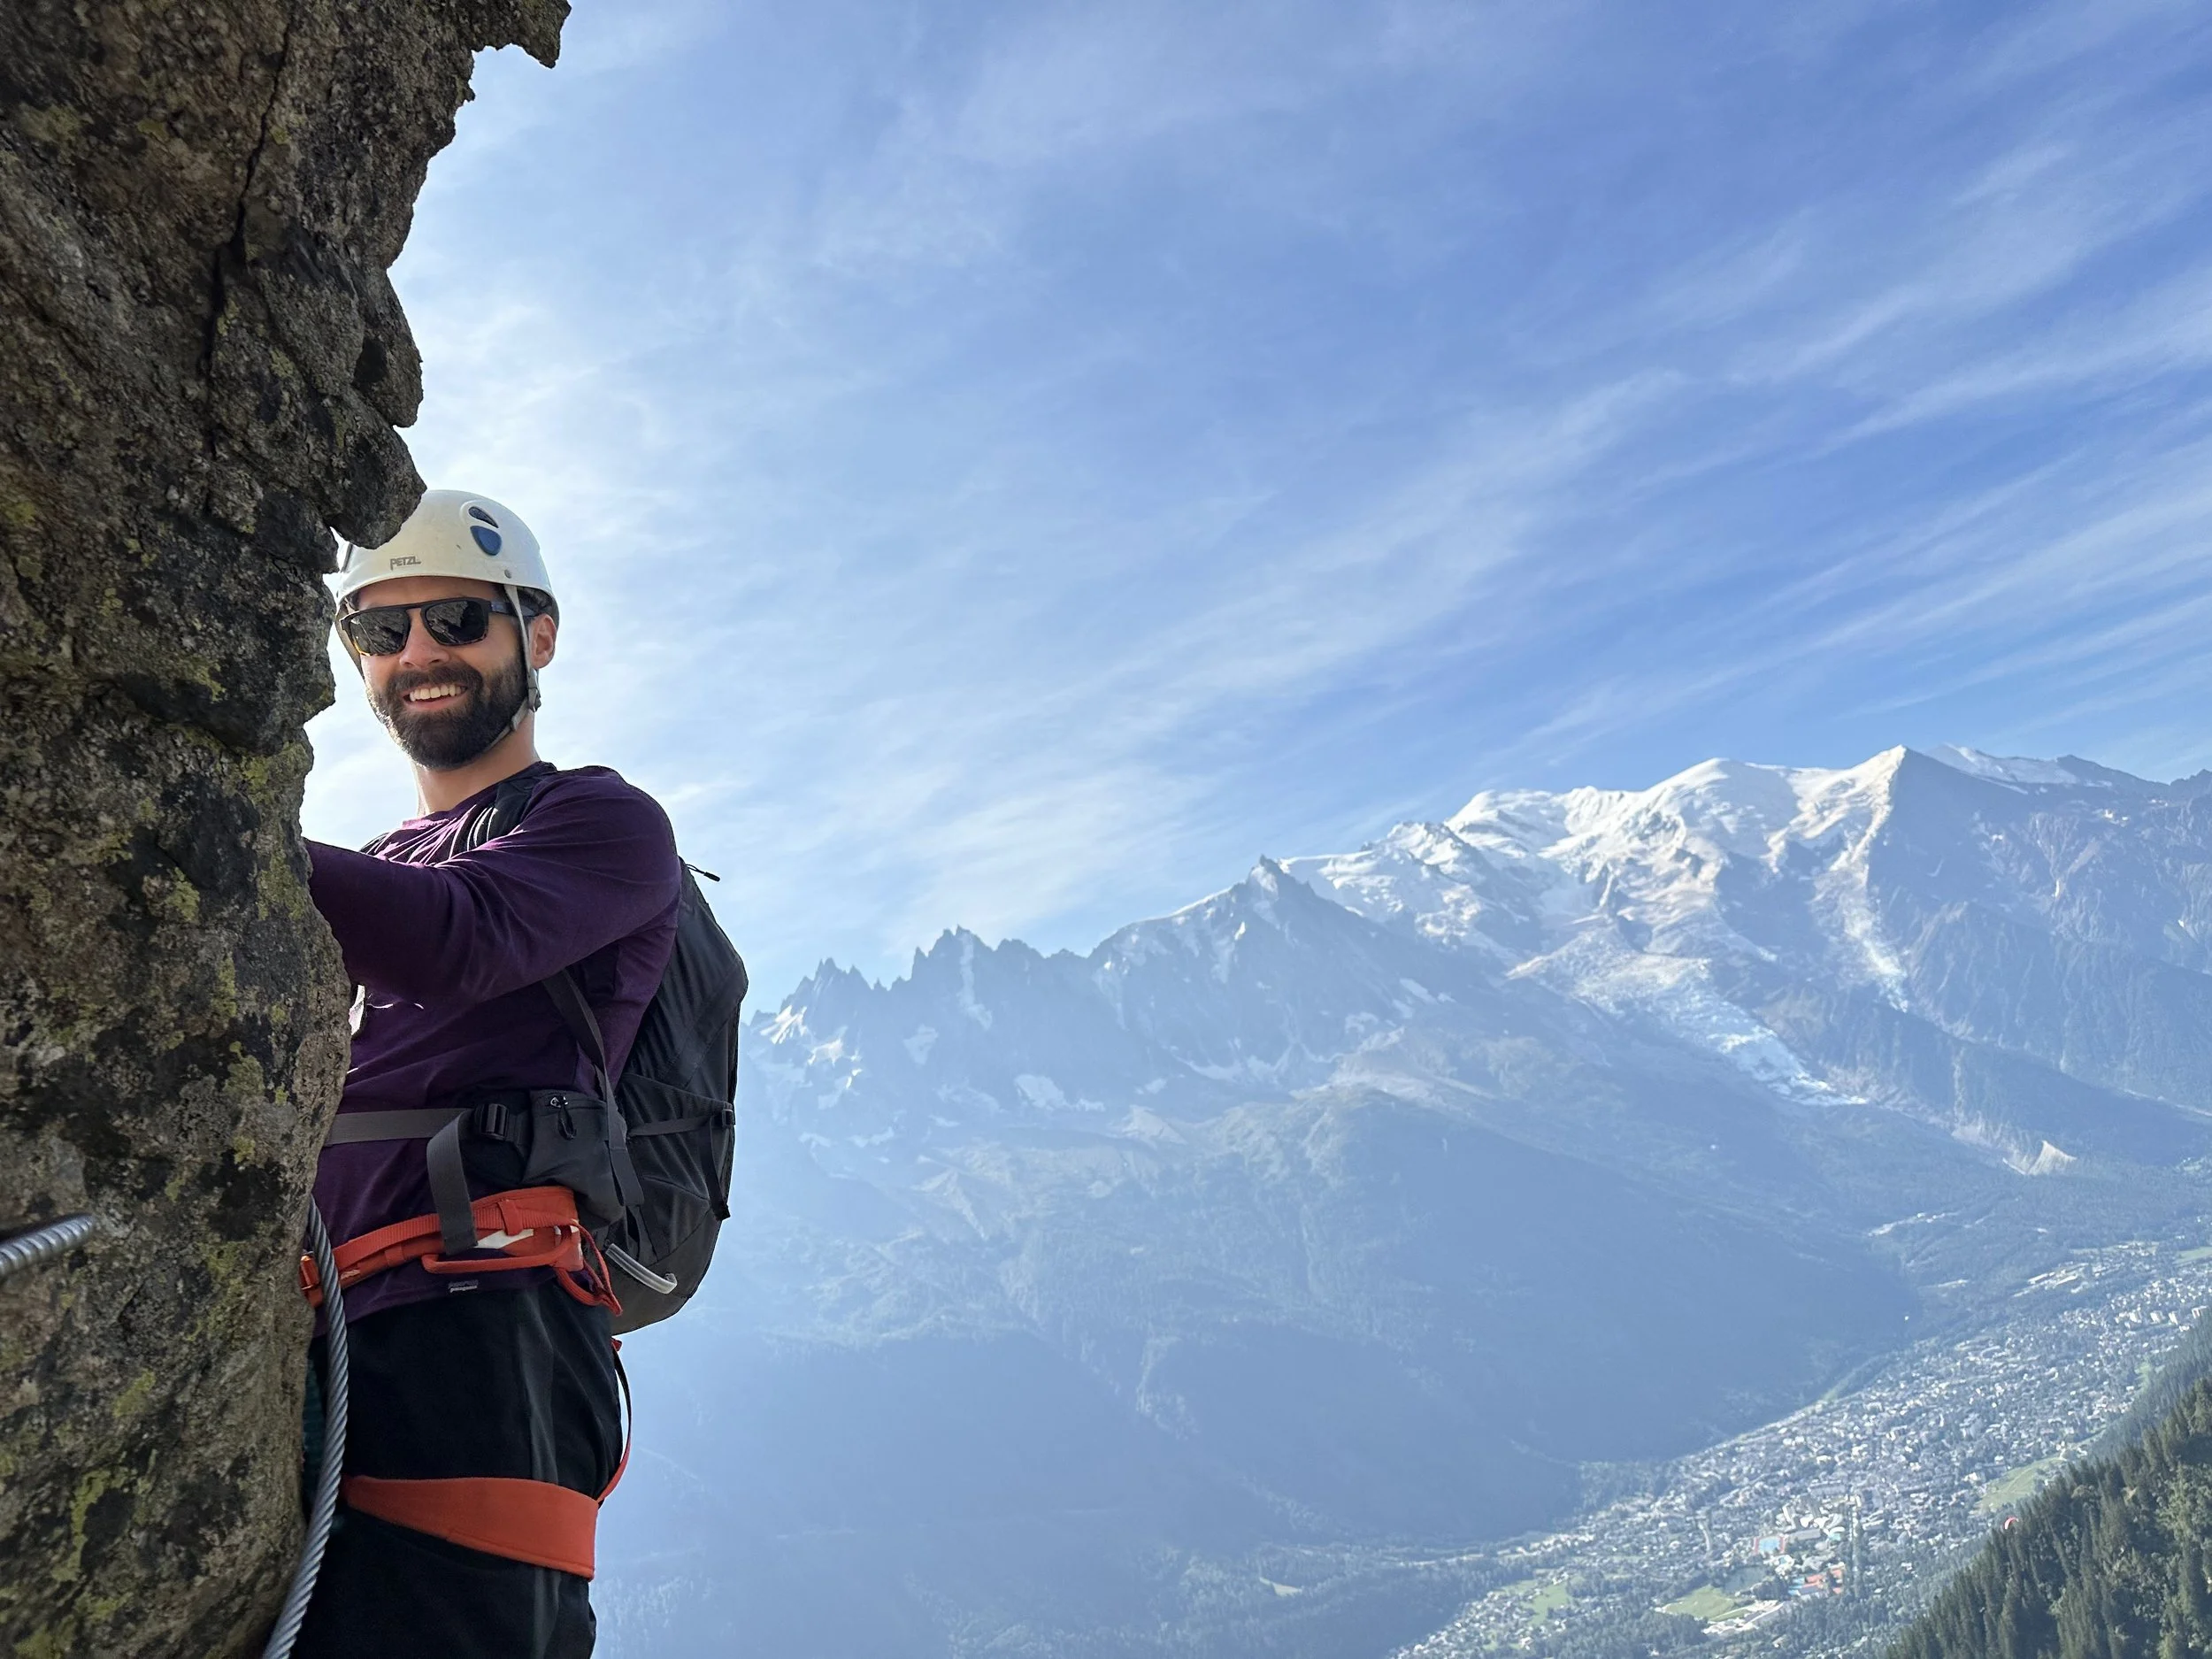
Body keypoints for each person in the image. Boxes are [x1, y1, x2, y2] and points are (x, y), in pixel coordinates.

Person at [294, 489, 682, 1659]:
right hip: (331, 1325)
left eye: (459, 617)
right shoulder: (374, 865)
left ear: (538, 634)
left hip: (485, 1321)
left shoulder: (605, 825)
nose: (419, 654)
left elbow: (462, 940)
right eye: (381, 629)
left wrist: (224, 828)